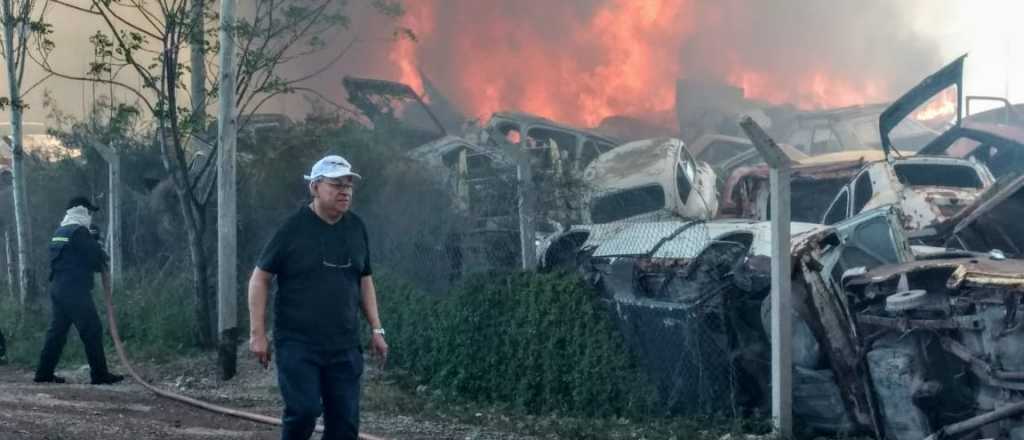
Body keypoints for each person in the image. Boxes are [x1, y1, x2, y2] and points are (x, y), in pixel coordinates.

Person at [248, 155, 388, 440]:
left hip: (344, 344)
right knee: (303, 411)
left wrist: (377, 329)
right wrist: (257, 334)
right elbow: (259, 278)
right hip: (298, 342)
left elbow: (364, 279)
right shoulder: (292, 229)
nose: (345, 191)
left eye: (348, 185)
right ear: (314, 187)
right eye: (336, 185)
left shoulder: (356, 227)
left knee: (345, 425)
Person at [34, 196, 124, 385]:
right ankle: (100, 375)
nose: (90, 215)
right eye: (89, 211)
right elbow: (98, 259)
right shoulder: (79, 232)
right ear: (82, 211)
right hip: (74, 289)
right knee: (92, 329)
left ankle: (43, 373)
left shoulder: (61, 230)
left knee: (57, 332)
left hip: (58, 288)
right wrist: (97, 243)